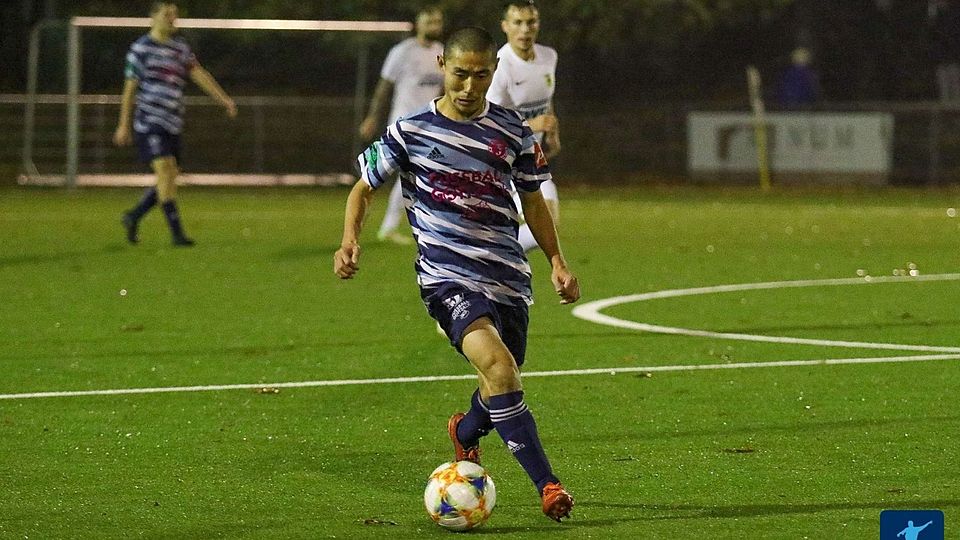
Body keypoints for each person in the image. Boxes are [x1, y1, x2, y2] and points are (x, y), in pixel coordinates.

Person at [334, 26, 579, 522]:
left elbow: (533, 199)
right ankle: (548, 485)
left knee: (502, 379)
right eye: (461, 74)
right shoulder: (410, 130)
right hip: (446, 278)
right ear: (443, 65)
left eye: (481, 75)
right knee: (500, 368)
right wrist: (350, 239)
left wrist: (556, 259)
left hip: (507, 276)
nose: (469, 87)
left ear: (494, 71)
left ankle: (465, 431)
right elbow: (364, 187)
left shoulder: (513, 131)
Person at [113, 1, 237, 246]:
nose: (172, 19)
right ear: (153, 17)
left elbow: (199, 74)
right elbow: (129, 90)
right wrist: (123, 124)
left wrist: (224, 99)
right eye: (167, 14)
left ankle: (133, 216)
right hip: (149, 122)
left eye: (174, 14)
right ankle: (177, 234)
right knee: (165, 170)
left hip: (173, 123)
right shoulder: (140, 49)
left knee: (168, 178)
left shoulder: (180, 48)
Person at [358, 6, 444, 246]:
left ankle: (390, 227)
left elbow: (445, 89)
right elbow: (384, 87)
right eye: (429, 21)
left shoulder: (442, 52)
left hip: (428, 125)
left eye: (438, 21)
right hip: (402, 123)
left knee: (413, 175)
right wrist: (372, 117)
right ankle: (360, 218)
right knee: (379, 173)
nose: (434, 26)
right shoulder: (402, 52)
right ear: (419, 23)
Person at [486, 0, 561, 253]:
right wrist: (532, 125)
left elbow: (546, 101)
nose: (525, 29)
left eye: (531, 22)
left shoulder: (549, 57)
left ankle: (491, 257)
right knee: (544, 226)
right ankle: (488, 256)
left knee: (548, 225)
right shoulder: (499, 67)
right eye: (518, 23)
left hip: (530, 160)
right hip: (501, 163)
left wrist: (552, 132)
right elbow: (488, 122)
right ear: (505, 26)